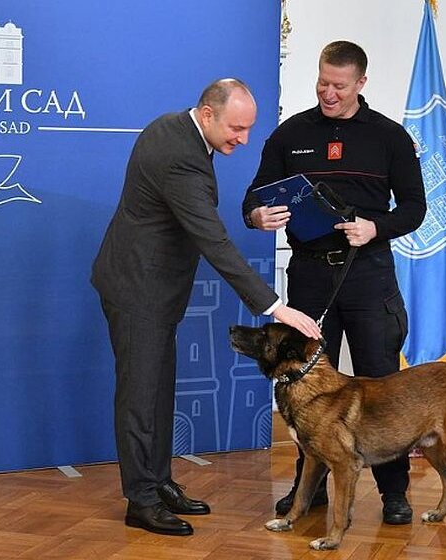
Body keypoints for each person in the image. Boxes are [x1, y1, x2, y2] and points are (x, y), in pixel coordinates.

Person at [92, 78, 321, 537]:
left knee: (157, 391)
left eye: (249, 128)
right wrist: (274, 307)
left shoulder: (174, 128)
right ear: (208, 113)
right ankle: (141, 499)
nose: (244, 139)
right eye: (237, 128)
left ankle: (159, 482)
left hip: (154, 288)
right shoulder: (179, 155)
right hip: (138, 288)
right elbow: (213, 240)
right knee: (140, 397)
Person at [242, 41, 426, 524]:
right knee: (306, 381)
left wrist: (375, 227)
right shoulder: (290, 134)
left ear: (361, 83)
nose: (328, 93)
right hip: (309, 276)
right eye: (323, 82)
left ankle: (394, 493)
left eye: (339, 86)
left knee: (381, 385)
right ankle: (310, 490)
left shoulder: (389, 137)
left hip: (368, 274)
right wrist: (257, 215)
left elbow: (414, 208)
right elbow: (253, 198)